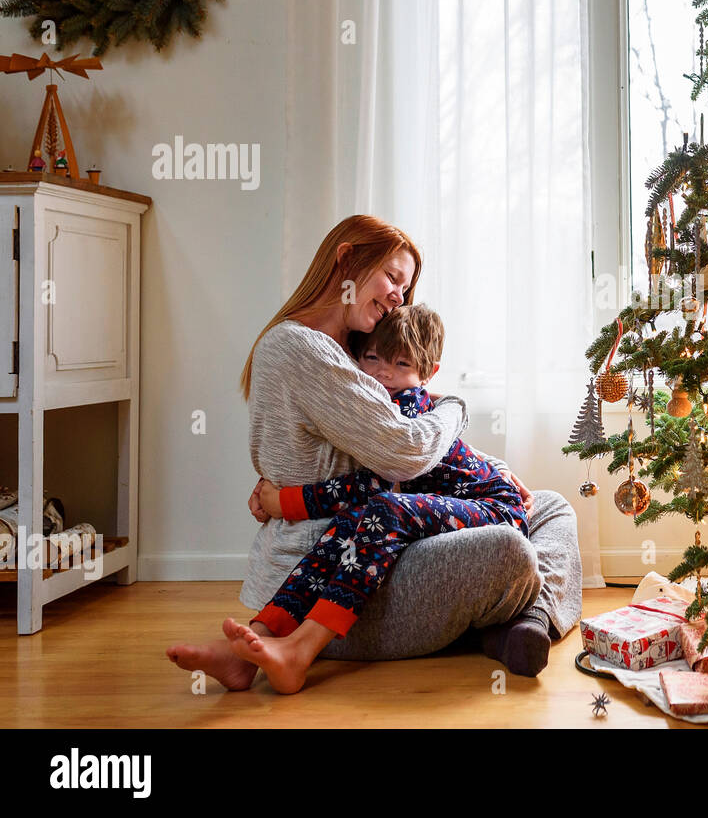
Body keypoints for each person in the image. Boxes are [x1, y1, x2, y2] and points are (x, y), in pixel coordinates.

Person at [166, 215, 581, 690]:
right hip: (346, 578)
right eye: (392, 278)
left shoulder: (354, 349)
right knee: (509, 549)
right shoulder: (303, 349)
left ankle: (522, 625)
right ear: (346, 258)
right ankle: (520, 622)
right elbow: (404, 453)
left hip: (374, 542)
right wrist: (454, 405)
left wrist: (496, 470)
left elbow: (415, 447)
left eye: (405, 288)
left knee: (549, 505)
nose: (398, 296)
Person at [229, 305, 528, 693]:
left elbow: (373, 485)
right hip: (452, 507)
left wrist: (287, 503)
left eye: (401, 362)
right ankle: (262, 633)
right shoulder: (366, 395)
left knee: (384, 508)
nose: (383, 372)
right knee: (346, 527)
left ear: (428, 373)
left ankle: (299, 652)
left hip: (496, 509)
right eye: (372, 357)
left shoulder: (408, 404)